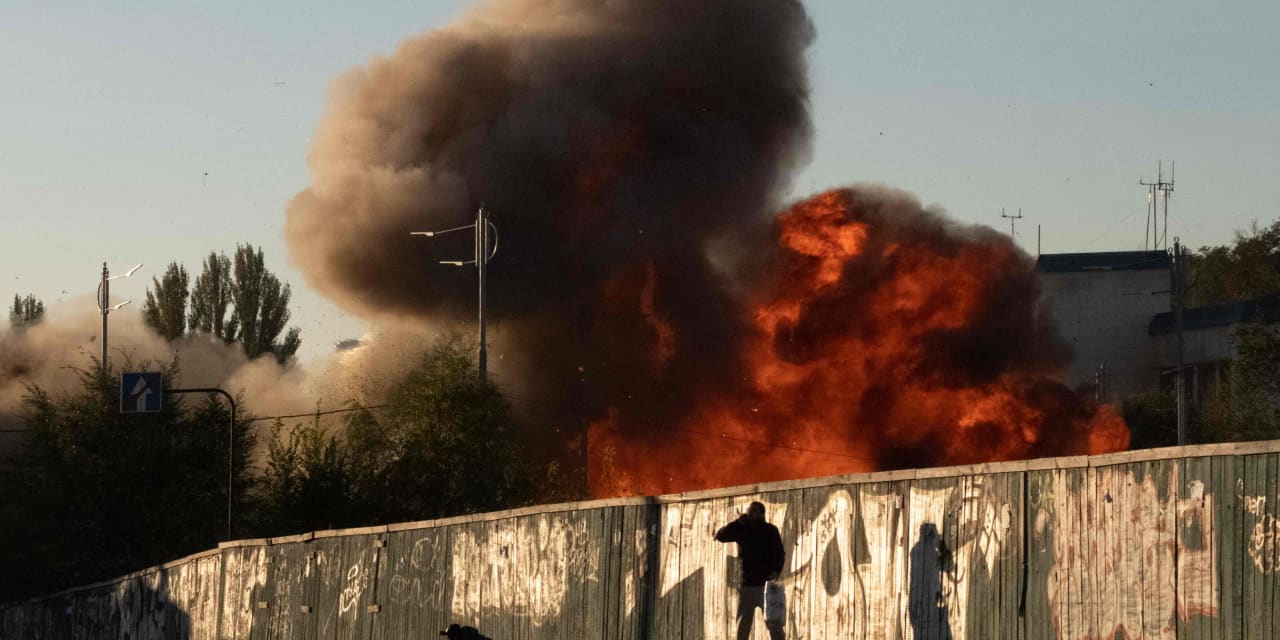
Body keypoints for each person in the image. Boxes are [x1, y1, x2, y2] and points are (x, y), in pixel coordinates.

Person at [715, 501, 785, 640]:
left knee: (774, 623)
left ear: (761, 514)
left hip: (766, 585)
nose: (749, 514)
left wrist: (776, 570)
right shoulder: (742, 529)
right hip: (746, 585)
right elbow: (721, 536)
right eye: (748, 511)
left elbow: (779, 553)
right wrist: (737, 522)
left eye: (753, 511)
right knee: (743, 626)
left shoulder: (770, 531)